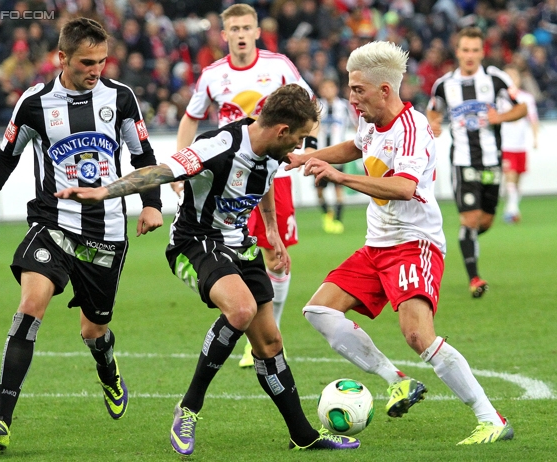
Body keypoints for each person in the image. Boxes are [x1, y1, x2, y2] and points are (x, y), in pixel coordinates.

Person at [55, 84, 360, 455]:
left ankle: (303, 435)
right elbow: (162, 172)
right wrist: (105, 192)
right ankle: (189, 407)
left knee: (270, 343)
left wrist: (273, 230)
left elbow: (263, 182)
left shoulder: (272, 148)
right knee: (242, 309)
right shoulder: (218, 145)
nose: (298, 147)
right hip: (195, 241)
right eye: (297, 139)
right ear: (282, 131)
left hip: (240, 244)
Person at [286, 41, 514, 446]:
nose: (351, 97)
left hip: (414, 243)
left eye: (358, 89)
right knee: (319, 309)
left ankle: (490, 418)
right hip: (377, 244)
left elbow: (405, 187)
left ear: (385, 90)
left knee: (417, 335)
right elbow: (356, 147)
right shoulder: (369, 121)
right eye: (350, 87)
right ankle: (398, 381)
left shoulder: (414, 128)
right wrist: (311, 156)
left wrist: (341, 178)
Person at [0, 18, 163, 452]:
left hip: (106, 232)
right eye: (86, 62)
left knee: (94, 330)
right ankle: (1, 419)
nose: (96, 70)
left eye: (102, 61)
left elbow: (143, 155)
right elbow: (5, 157)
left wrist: (152, 203)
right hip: (52, 224)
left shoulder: (121, 98)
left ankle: (107, 366)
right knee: (30, 307)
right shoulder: (34, 103)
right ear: (62, 59)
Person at [175, 3, 319, 368]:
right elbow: (190, 120)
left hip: (273, 177)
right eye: (233, 29)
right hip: (228, 181)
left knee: (275, 252)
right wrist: (181, 166)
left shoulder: (279, 66)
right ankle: (244, 314)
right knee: (234, 251)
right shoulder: (212, 75)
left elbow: (309, 105)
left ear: (257, 31)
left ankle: (265, 332)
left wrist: (312, 148)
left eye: (246, 28)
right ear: (224, 35)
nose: (240, 34)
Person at [426, 27, 527, 298]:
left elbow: (522, 108)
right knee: (470, 219)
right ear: (457, 52)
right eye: (465, 50)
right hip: (462, 161)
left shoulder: (496, 79)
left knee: (485, 221)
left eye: (474, 50)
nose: (469, 55)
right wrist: (433, 124)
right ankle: (475, 278)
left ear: (482, 52)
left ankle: (465, 238)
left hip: (492, 160)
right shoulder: (444, 84)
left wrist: (500, 118)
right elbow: (433, 110)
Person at [315, 79, 357, 234]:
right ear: (320, 90)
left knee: (338, 187)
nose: (328, 91)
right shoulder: (317, 106)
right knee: (320, 190)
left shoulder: (344, 106)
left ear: (335, 89)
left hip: (338, 154)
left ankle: (338, 220)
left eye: (330, 87)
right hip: (320, 154)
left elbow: (356, 124)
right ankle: (327, 214)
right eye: (324, 88)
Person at [500, 65, 539, 224]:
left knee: (518, 180)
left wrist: (536, 139)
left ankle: (512, 206)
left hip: (521, 146)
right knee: (510, 176)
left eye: (513, 76)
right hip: (506, 145)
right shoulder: (500, 98)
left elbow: (533, 120)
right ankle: (512, 210)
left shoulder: (526, 98)